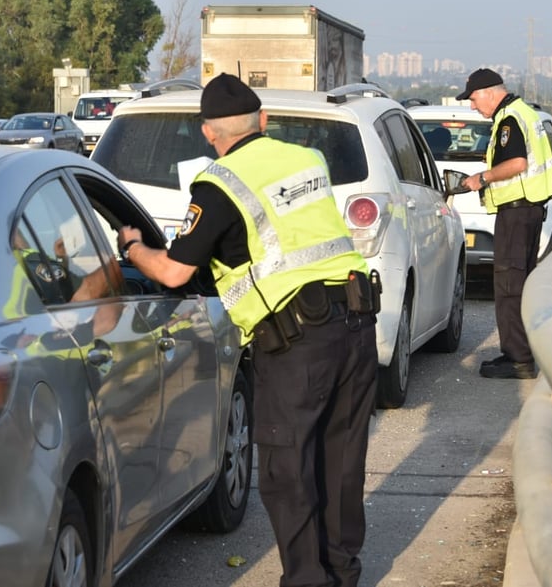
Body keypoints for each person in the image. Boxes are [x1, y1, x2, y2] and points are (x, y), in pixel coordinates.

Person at [117, 73, 379, 587]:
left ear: (208, 133)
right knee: (341, 460)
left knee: (287, 468)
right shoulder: (308, 160)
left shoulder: (217, 183)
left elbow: (173, 271)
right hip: (356, 320)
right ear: (263, 121)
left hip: (299, 340)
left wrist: (132, 247)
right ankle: (342, 574)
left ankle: (307, 581)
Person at [456, 68, 552, 380]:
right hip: (528, 210)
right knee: (521, 283)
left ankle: (517, 359)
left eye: (473, 99)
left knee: (509, 285)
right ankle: (521, 352)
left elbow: (516, 163)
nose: (473, 106)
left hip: (517, 211)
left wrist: (481, 178)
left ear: (489, 92)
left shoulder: (509, 119)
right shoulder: (524, 112)